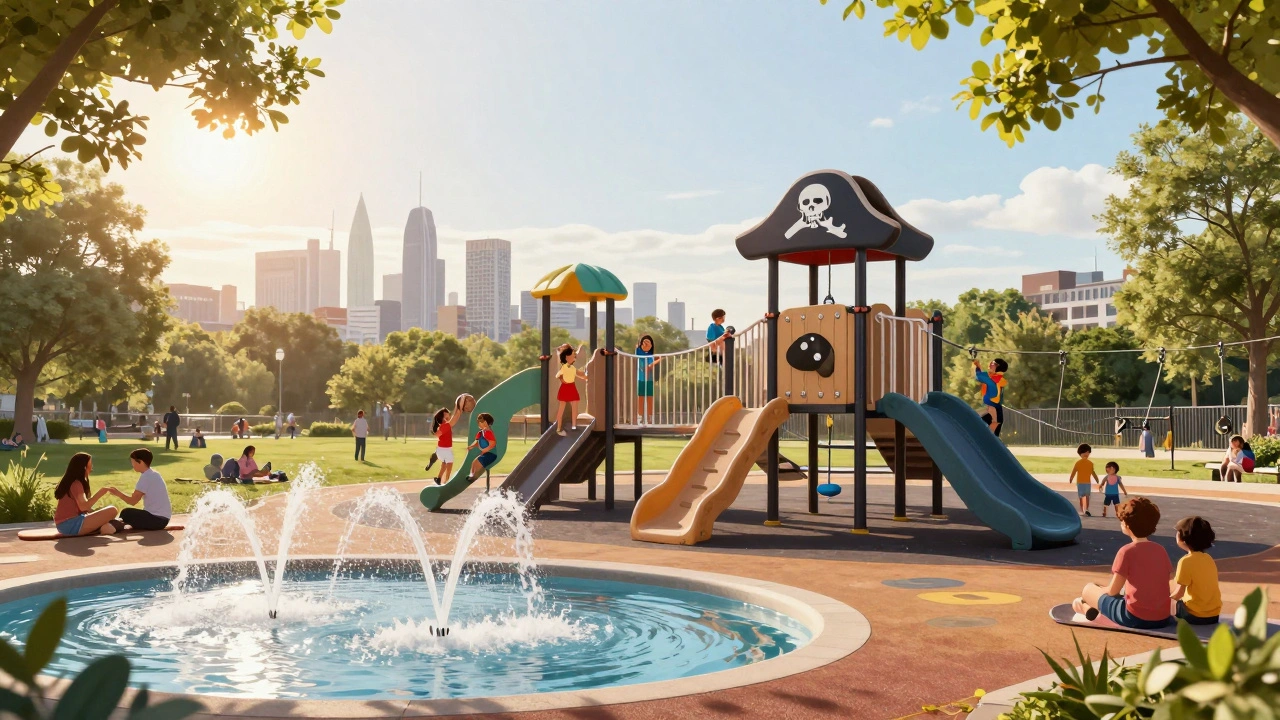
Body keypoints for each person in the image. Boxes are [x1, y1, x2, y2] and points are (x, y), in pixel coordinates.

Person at [1071, 496, 1172, 629]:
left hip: (1134, 617)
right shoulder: (1161, 550)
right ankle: (1085, 606)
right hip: (1162, 617)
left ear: (1127, 525)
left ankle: (1084, 606)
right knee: (1110, 590)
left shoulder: (1126, 551)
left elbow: (1113, 591)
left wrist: (1102, 590)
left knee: (1089, 589)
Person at [1171, 516, 1221, 626]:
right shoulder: (1208, 558)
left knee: (1172, 607)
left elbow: (1179, 593)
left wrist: (1163, 600)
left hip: (1194, 616)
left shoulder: (1185, 561)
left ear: (1182, 538)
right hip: (1214, 615)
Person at [52, 453, 118, 536]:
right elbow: (84, 507)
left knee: (105, 518)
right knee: (112, 510)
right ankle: (102, 528)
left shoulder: (73, 483)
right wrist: (101, 492)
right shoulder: (76, 484)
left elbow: (85, 508)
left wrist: (96, 512)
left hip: (66, 525)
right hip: (70, 525)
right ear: (84, 467)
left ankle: (103, 527)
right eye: (90, 465)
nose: (92, 468)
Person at [106, 448, 172, 531]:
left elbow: (133, 501)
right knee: (130, 514)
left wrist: (117, 493)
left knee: (126, 513)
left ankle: (115, 527)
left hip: (157, 521)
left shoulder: (146, 477)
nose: (132, 464)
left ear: (140, 462)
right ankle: (121, 525)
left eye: (133, 462)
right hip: (163, 519)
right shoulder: (154, 474)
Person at [554, 344, 588, 436]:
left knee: (572, 406)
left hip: (570, 388)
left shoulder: (571, 367)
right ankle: (560, 428)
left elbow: (579, 374)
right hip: (566, 388)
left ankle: (571, 426)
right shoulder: (564, 366)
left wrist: (587, 376)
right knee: (564, 407)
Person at [973, 357, 1008, 435]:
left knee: (989, 438)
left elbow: (979, 376)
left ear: (999, 367)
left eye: (994, 363)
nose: (991, 363)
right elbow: (983, 376)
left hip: (993, 414)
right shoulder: (995, 378)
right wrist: (977, 364)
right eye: (992, 362)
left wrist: (976, 364)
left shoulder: (994, 380)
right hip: (993, 412)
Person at [634, 334, 663, 426]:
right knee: (640, 398)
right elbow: (647, 367)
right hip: (641, 379)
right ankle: (640, 417)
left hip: (649, 380)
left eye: (648, 343)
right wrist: (658, 361)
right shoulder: (639, 353)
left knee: (649, 398)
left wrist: (657, 360)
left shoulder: (650, 356)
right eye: (644, 342)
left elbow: (649, 367)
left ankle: (650, 417)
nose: (646, 344)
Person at [428, 406, 457, 485]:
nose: (450, 415)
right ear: (444, 414)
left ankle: (439, 478)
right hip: (445, 449)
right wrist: (458, 409)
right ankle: (447, 482)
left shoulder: (443, 425)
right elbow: (455, 418)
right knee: (449, 466)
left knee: (444, 464)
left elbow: (438, 434)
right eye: (448, 413)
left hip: (441, 449)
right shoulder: (445, 425)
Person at [1068, 443, 1099, 517]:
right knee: (1082, 496)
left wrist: (1096, 478)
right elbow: (1074, 471)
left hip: (1087, 482)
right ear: (1080, 454)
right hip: (1080, 482)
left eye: (1088, 452)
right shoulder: (1078, 463)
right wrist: (1071, 478)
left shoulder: (1090, 463)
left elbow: (1092, 472)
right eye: (1084, 452)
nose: (1086, 454)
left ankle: (1086, 509)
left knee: (1087, 496)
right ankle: (1083, 509)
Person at [466, 413, 499, 482]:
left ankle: (474, 476)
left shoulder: (488, 433)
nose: (478, 423)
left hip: (491, 454)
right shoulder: (480, 433)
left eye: (480, 422)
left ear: (485, 422)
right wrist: (471, 446)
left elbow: (493, 443)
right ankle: (471, 474)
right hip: (485, 453)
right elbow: (477, 442)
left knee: (478, 462)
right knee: (474, 462)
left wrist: (485, 450)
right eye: (478, 422)